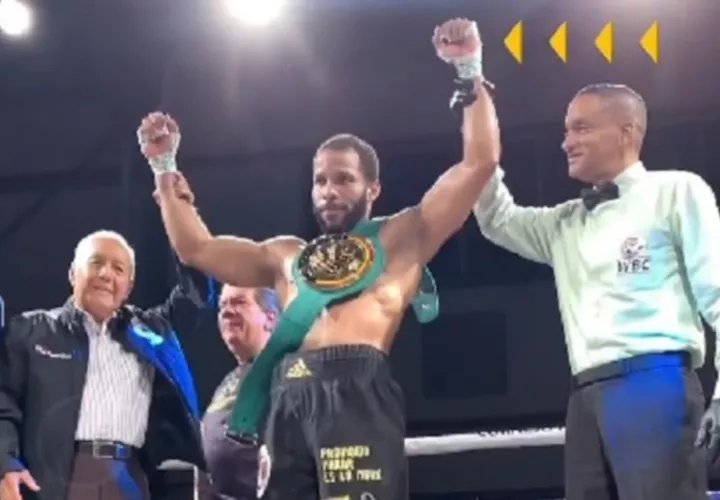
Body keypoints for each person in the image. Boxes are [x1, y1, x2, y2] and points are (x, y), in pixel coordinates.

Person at [137, 17, 499, 500]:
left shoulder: (403, 236)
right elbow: (196, 248)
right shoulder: (286, 256)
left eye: (344, 179)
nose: (329, 190)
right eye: (321, 180)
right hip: (287, 395)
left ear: (372, 188)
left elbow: (478, 163)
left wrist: (469, 69)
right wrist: (164, 167)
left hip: (357, 388)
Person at [473, 82, 717, 499]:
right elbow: (496, 217)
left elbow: (717, 291)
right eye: (567, 130)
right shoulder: (564, 223)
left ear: (626, 132)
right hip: (585, 396)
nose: (566, 142)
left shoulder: (676, 191)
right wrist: (474, 98)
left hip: (655, 380)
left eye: (582, 128)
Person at [0, 230, 212, 500]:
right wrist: (5, 462)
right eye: (96, 262)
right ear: (72, 274)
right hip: (52, 479)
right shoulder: (29, 331)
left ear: (128, 287)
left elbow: (195, 295)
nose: (106, 274)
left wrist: (177, 221)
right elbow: (3, 402)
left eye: (118, 268)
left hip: (129, 478)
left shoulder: (152, 333)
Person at [199, 285, 278, 500]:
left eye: (239, 302)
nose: (227, 311)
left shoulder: (284, 372)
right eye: (222, 305)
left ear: (270, 318)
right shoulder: (231, 378)